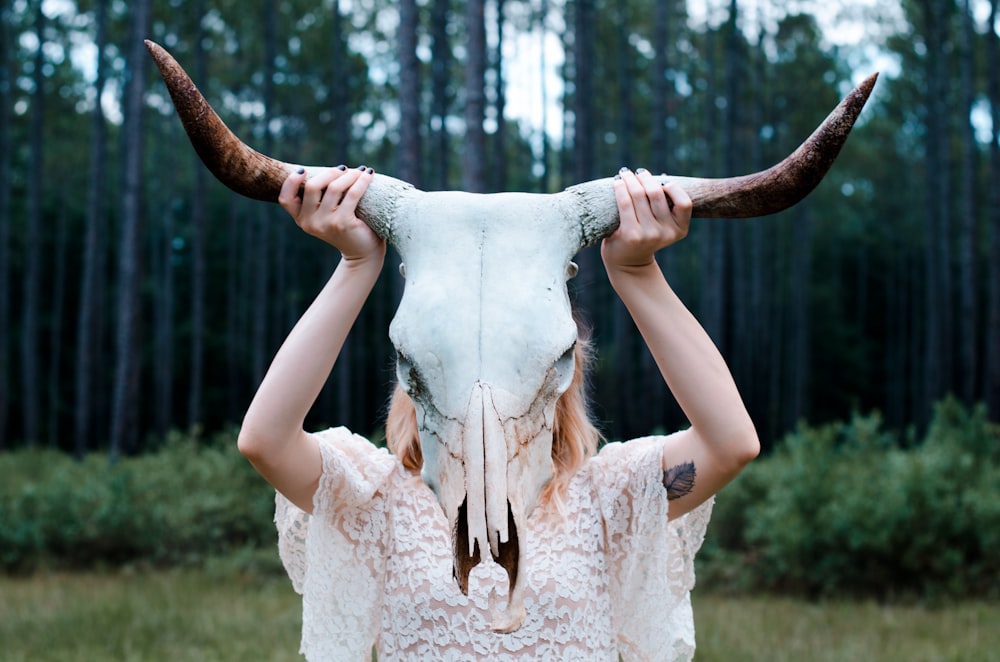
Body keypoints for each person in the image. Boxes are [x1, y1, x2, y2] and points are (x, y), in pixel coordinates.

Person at [237, 164, 760, 661]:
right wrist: (355, 267)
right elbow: (267, 440)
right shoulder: (378, 499)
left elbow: (729, 444)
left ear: (563, 365)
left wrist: (637, 272)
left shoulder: (605, 500)